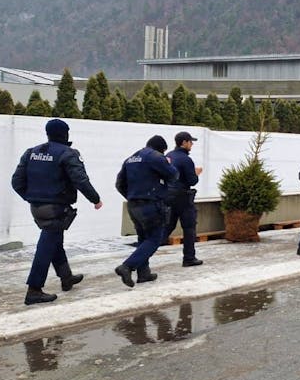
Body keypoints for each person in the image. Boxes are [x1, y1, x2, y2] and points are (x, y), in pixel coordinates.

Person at [11, 119, 103, 305]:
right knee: (46, 246)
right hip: (56, 207)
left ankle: (66, 277)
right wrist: (95, 199)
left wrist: (31, 197)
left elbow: (16, 181)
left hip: (37, 207)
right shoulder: (68, 153)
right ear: (65, 134)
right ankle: (34, 289)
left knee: (54, 241)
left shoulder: (32, 152)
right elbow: (80, 180)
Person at [115, 135, 179, 286]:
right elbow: (174, 175)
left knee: (143, 238)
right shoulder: (156, 157)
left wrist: (132, 196)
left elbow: (119, 184)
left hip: (133, 205)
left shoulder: (131, 158)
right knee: (155, 239)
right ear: (161, 149)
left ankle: (144, 274)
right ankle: (127, 266)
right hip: (151, 204)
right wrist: (169, 163)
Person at [164, 131, 204, 267]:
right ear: (184, 143)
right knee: (189, 227)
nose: (192, 144)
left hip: (168, 196)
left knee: (167, 226)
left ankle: (144, 254)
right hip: (183, 197)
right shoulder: (186, 159)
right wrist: (196, 173)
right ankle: (189, 258)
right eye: (190, 142)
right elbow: (192, 180)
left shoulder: (168, 156)